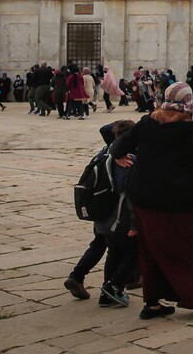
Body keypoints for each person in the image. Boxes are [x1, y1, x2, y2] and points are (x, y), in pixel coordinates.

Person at [108, 83, 193, 319]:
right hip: (183, 201)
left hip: (144, 200)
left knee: (151, 250)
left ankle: (152, 304)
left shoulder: (147, 122)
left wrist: (119, 158)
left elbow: (117, 146)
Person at [65, 119, 138, 307]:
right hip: (120, 217)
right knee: (132, 251)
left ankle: (104, 289)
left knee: (110, 250)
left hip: (102, 214)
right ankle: (113, 286)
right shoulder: (128, 160)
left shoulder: (105, 153)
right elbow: (130, 194)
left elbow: (105, 129)